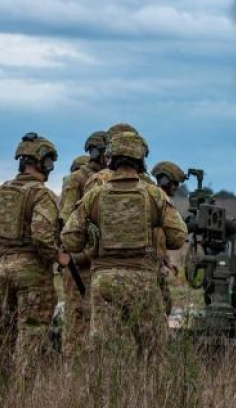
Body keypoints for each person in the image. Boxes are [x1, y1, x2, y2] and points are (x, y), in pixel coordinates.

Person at [61, 132, 186, 357]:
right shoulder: (155, 195)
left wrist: (94, 235)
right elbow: (177, 237)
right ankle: (147, 391)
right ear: (141, 161)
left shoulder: (94, 195)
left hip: (104, 281)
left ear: (110, 158)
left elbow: (70, 238)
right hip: (143, 282)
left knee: (106, 354)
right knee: (153, 353)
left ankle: (109, 391)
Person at [0, 132, 60, 376]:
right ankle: (23, 392)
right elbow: (42, 236)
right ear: (43, 162)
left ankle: (0, 384)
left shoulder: (1, 191)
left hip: (4, 268)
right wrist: (57, 257)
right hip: (32, 272)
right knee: (31, 333)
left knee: (6, 330)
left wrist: (3, 261)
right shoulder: (42, 194)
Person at [57, 130, 108, 358]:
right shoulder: (77, 180)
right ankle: (73, 377)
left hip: (99, 263)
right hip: (79, 263)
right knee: (77, 321)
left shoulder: (106, 179)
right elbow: (67, 223)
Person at [150, 161, 188, 315]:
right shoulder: (158, 199)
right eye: (174, 183)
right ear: (165, 181)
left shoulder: (156, 197)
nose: (176, 187)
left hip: (157, 265)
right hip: (151, 267)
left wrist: (166, 261)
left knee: (165, 306)